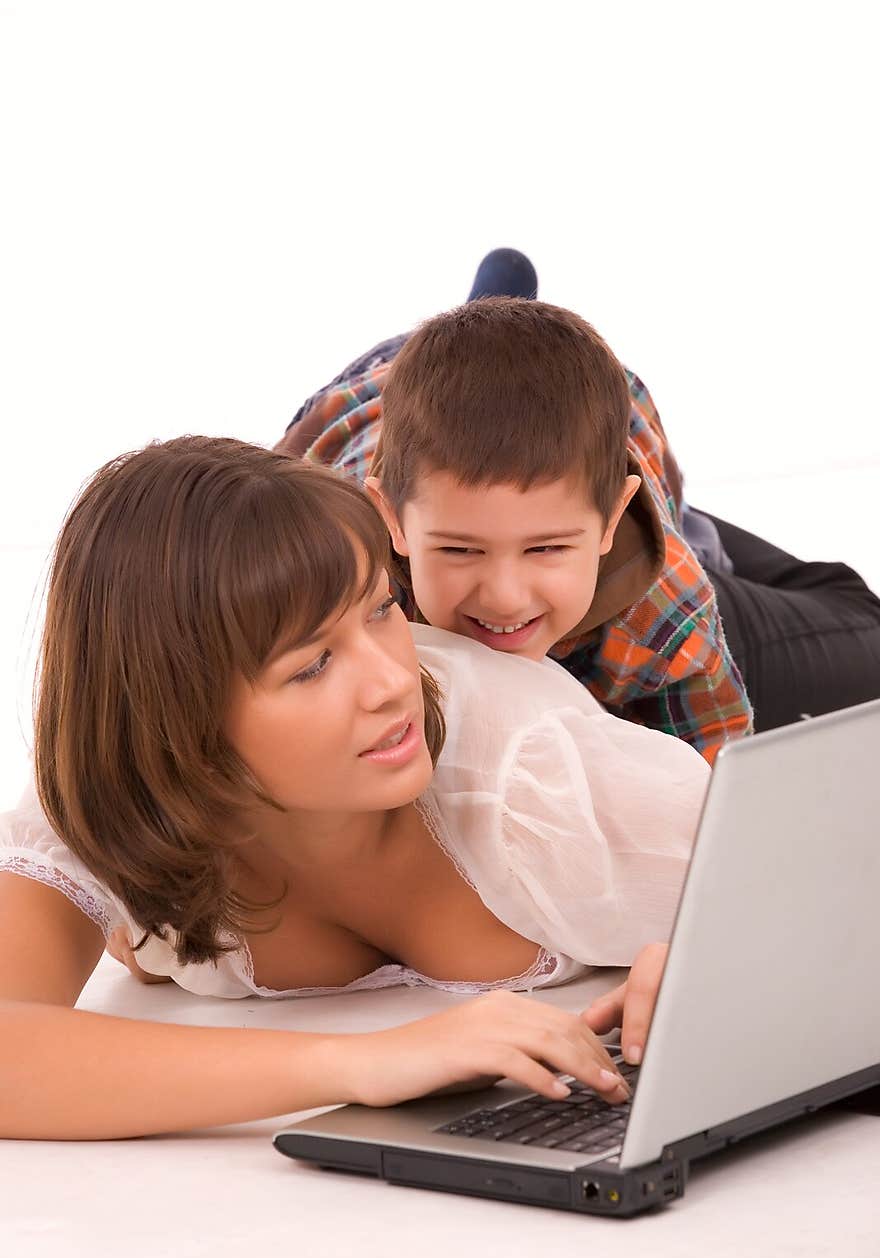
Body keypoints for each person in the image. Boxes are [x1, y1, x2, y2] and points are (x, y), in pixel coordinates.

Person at [0, 437, 709, 1141]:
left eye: (381, 609)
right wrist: (363, 1063)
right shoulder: (114, 801)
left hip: (670, 630)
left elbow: (812, 873)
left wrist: (718, 946)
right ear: (174, 722)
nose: (395, 682)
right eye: (312, 666)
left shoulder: (541, 777)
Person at [276, 250, 880, 744]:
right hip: (368, 393)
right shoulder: (341, 579)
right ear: (393, 522)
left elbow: (713, 784)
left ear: (611, 519)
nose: (504, 597)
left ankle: (681, 526)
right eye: (460, 551)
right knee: (479, 339)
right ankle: (495, 304)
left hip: (628, 463)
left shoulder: (662, 611)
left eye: (545, 550)